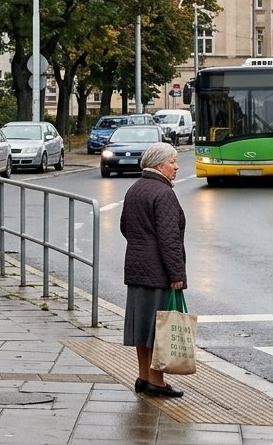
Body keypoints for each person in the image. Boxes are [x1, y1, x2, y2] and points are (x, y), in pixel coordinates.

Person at [120, 141, 187, 399]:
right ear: (159, 165)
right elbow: (169, 239)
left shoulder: (134, 189)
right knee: (160, 328)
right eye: (172, 162)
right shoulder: (164, 193)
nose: (176, 167)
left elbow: (125, 227)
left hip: (136, 268)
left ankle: (143, 377)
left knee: (142, 327)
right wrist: (177, 274)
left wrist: (141, 246)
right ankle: (157, 381)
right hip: (159, 271)